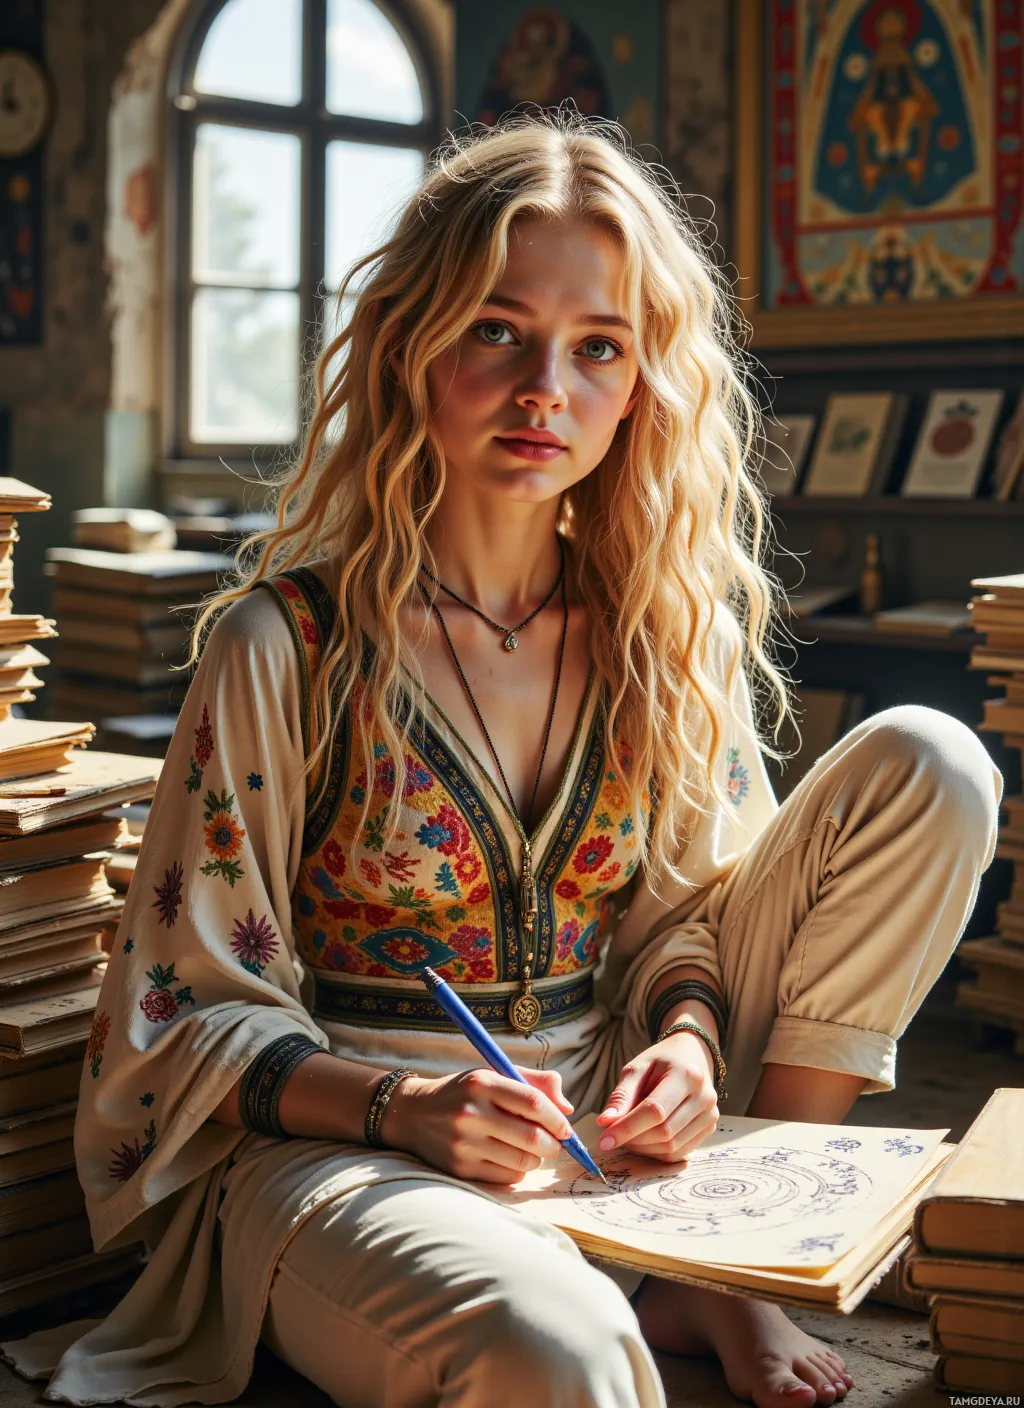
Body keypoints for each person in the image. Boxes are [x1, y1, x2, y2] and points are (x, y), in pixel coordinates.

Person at [2, 114, 1001, 1408]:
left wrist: (691, 1045)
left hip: (613, 1132)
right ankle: (615, 1285)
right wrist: (405, 1109)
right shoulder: (283, 646)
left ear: (643, 385)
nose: (546, 389)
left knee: (934, 761)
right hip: (345, 1158)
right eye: (496, 329)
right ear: (409, 346)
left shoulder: (661, 634)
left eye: (599, 347)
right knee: (559, 1351)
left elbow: (687, 918)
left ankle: (735, 1262)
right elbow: (177, 1014)